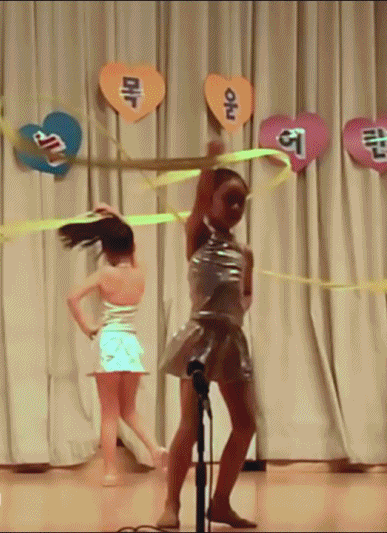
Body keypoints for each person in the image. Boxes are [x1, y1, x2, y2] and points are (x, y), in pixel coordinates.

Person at [157, 141, 257, 529]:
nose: (235, 208)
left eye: (240, 203)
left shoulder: (245, 253)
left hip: (231, 339)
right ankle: (172, 504)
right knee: (190, 426)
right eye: (228, 200)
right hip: (200, 338)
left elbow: (246, 292)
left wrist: (239, 309)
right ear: (211, 201)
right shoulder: (198, 234)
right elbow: (199, 199)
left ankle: (221, 503)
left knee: (246, 424)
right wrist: (210, 162)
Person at [62, 204, 168, 487]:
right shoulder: (140, 272)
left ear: (106, 249)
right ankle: (155, 449)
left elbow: (72, 297)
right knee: (129, 410)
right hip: (131, 344)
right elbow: (134, 243)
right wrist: (117, 215)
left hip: (109, 342)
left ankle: (110, 471)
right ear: (130, 246)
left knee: (109, 413)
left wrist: (87, 327)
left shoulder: (104, 274)